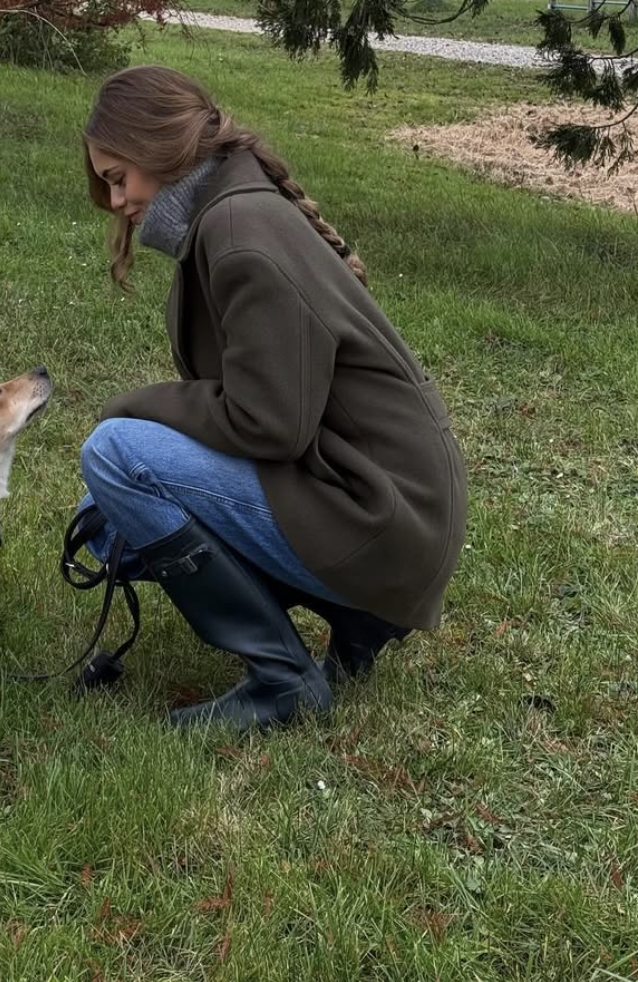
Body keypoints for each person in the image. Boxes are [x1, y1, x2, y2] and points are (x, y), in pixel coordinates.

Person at [75, 65, 467, 731]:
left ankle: (283, 681)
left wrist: (135, 405)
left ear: (162, 149)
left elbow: (269, 425)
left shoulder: (239, 232)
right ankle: (356, 617)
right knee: (104, 521)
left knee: (116, 456)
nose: (116, 201)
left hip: (385, 519)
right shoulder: (231, 212)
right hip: (384, 507)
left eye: (119, 178)